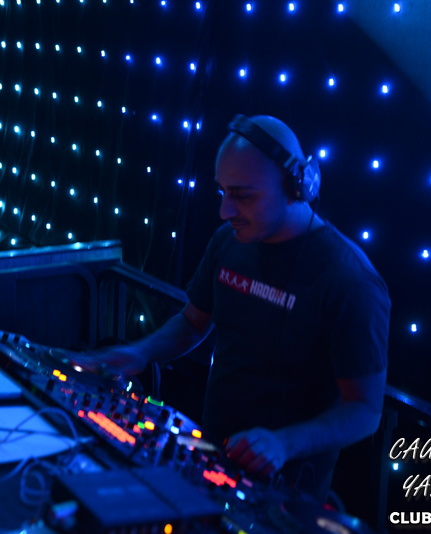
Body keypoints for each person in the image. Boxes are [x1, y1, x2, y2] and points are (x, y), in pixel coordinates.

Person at [71, 115, 390, 503]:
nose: (224, 210)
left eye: (243, 196)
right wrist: (141, 351)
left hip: (284, 488)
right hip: (212, 455)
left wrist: (283, 443)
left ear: (297, 187)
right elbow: (192, 324)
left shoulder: (350, 281)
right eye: (222, 192)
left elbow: (365, 410)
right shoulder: (229, 241)